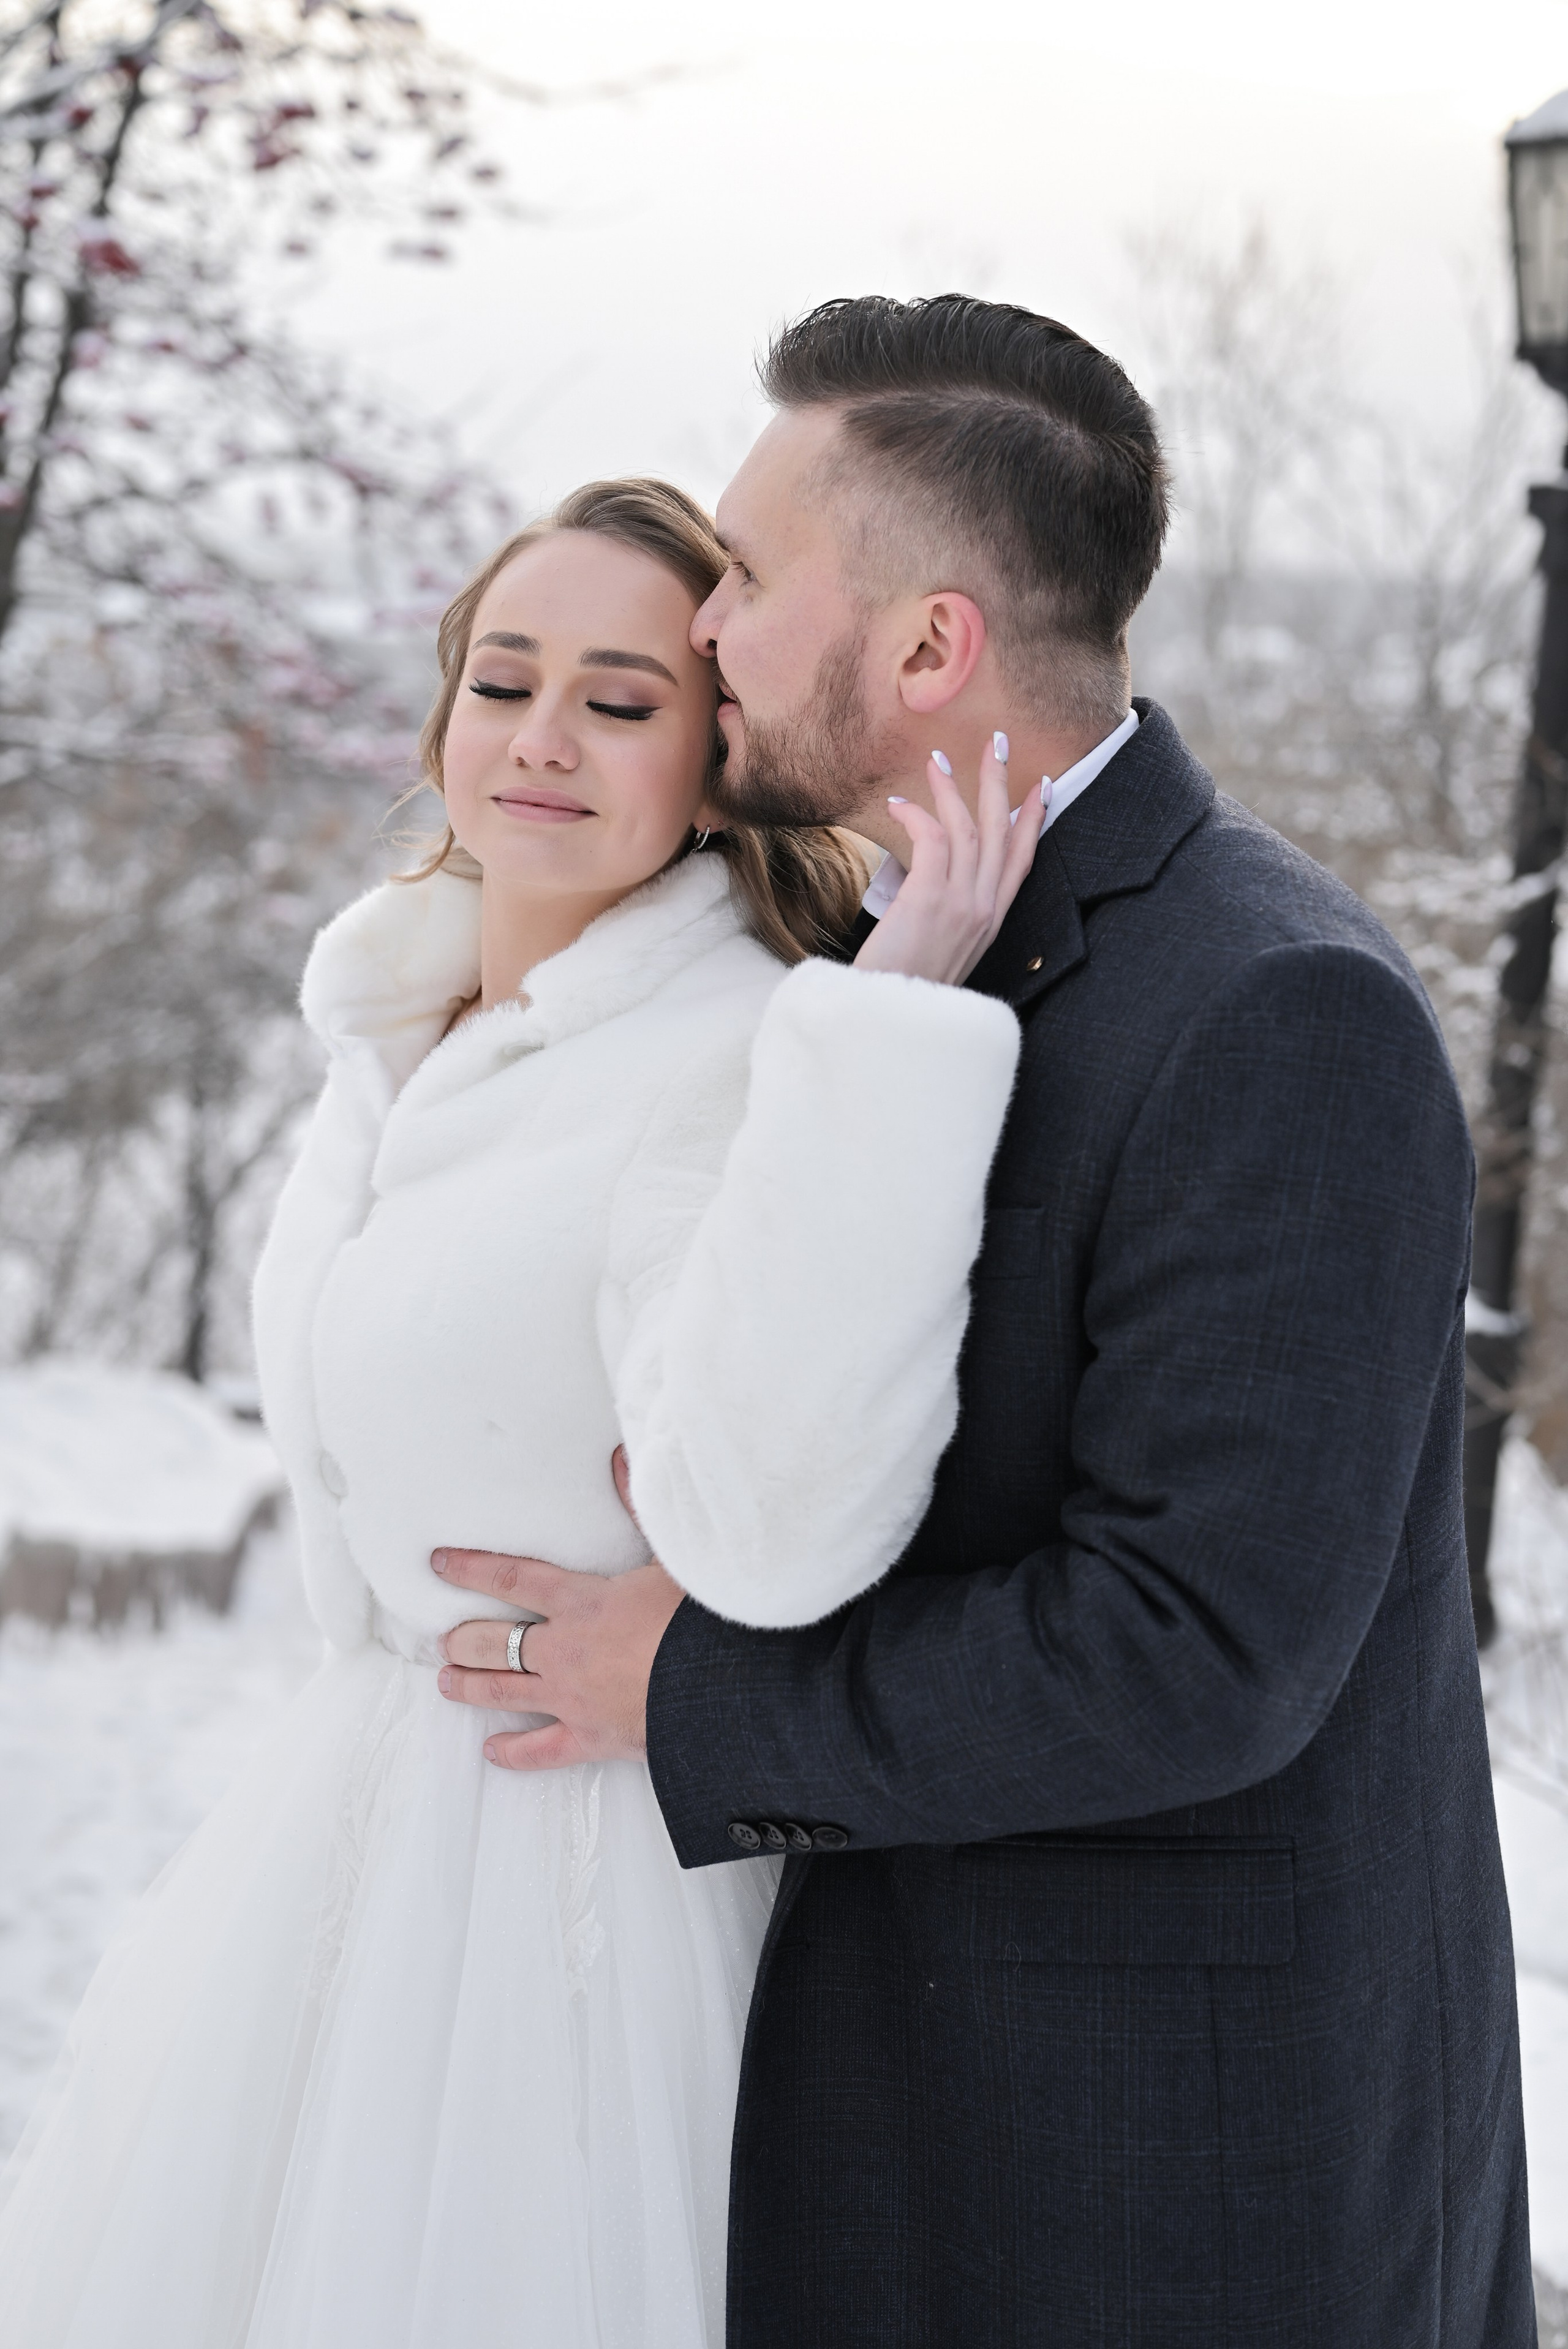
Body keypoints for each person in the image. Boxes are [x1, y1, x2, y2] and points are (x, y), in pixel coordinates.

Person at [435, 300, 1537, 2347]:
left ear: (931, 647)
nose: (707, 634)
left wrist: (692, 1690)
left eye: (751, 582)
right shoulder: (890, 952)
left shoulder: (1274, 1004)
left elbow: (1200, 1650)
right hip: (918, 2126)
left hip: (1172, 2203)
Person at [0, 475, 1046, 2348]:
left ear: (719, 760)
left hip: (571, 1892)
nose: (544, 739)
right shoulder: (401, 1028)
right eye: (505, 680)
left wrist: (883, 1043)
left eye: (623, 699)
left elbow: (785, 1518)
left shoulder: (729, 1055)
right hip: (353, 1822)